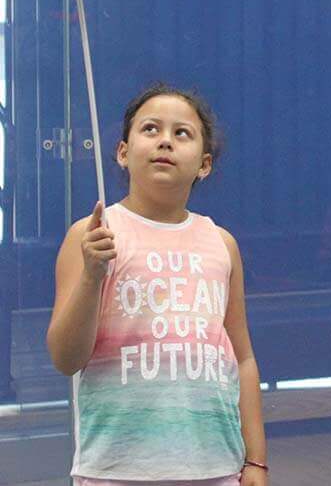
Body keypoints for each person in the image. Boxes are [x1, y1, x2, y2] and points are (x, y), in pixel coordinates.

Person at [48, 85, 268, 485]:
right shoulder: (93, 234)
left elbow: (243, 359)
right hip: (115, 471)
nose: (165, 140)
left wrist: (255, 460)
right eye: (150, 129)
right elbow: (66, 358)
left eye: (182, 133)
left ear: (204, 164)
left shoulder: (221, 243)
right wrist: (90, 276)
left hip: (215, 468)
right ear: (122, 152)